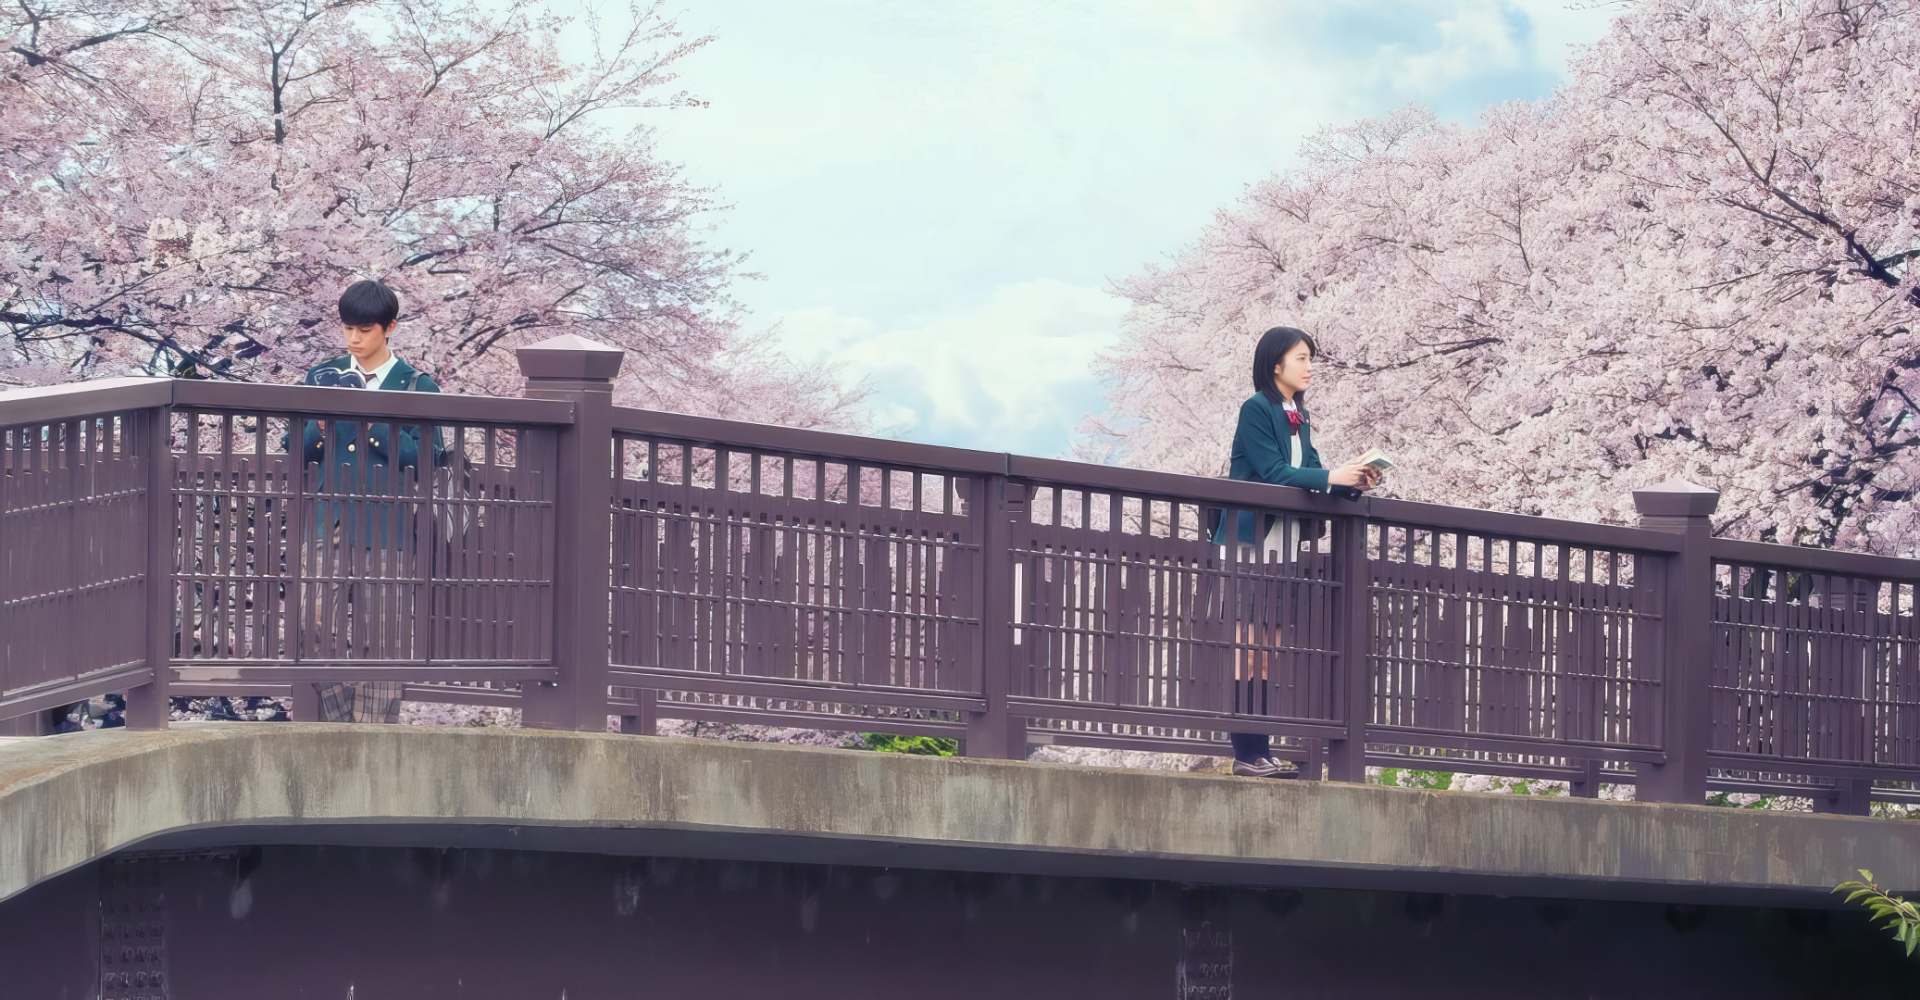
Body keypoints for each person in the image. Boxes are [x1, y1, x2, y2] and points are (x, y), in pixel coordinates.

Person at [1215, 326, 1378, 777]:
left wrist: (1354, 483)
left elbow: (1311, 470)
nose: (1309, 367)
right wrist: (1331, 477)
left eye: (1310, 359)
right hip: (1249, 542)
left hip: (1282, 545)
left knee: (1268, 652)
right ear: (1276, 365)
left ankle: (1261, 751)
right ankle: (1245, 754)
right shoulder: (1255, 408)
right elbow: (1273, 471)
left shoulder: (1298, 415)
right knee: (1248, 648)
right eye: (1301, 358)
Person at [298, 279, 443, 724]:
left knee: (382, 638)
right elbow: (295, 448)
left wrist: (371, 419)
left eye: (364, 330)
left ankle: (371, 737)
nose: (354, 339)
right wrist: (321, 426)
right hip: (328, 518)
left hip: (387, 527)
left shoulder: (417, 386)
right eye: (348, 328)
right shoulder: (321, 376)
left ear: (389, 327)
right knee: (310, 626)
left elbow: (428, 458)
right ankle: (347, 726)